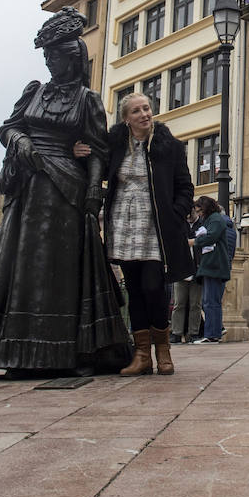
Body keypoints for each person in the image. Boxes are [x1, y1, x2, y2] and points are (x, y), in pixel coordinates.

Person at [0, 7, 130, 377]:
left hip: (65, 191)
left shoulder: (87, 100)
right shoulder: (34, 93)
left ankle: (64, 351)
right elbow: (7, 128)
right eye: (47, 56)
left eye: (55, 56)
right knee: (22, 267)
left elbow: (98, 151)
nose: (49, 62)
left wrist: (92, 192)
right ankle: (17, 351)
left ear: (72, 59)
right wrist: (21, 140)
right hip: (28, 188)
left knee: (59, 271)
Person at [101, 92, 196, 376]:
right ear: (126, 119)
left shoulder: (171, 147)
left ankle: (163, 350)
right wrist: (82, 155)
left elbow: (185, 187)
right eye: (136, 111)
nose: (144, 114)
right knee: (135, 289)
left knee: (154, 287)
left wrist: (175, 213)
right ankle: (142, 355)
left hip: (156, 226)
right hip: (124, 223)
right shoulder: (116, 145)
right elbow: (99, 170)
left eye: (146, 108)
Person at [191, 196, 232, 343]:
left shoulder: (215, 219)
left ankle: (212, 334)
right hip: (211, 265)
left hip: (214, 266)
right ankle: (213, 332)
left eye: (200, 210)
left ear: (206, 207)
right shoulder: (211, 219)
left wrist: (194, 242)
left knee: (210, 301)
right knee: (208, 301)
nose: (199, 214)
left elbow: (211, 237)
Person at [170, 212, 203, 344]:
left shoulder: (202, 225)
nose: (188, 216)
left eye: (191, 213)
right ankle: (176, 332)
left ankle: (193, 333)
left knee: (196, 304)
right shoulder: (179, 224)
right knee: (179, 303)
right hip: (181, 269)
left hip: (197, 269)